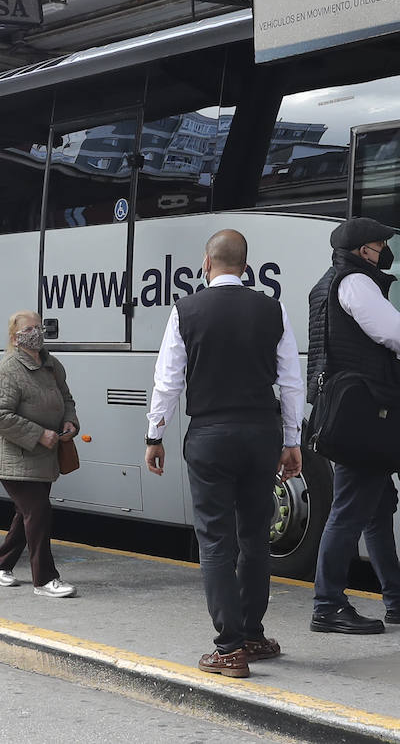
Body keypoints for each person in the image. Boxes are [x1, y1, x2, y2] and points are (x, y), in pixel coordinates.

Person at [145, 229, 304, 679]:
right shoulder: (272, 309)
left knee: (215, 539)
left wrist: (154, 435)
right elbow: (290, 381)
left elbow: (168, 381)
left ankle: (229, 648)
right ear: (246, 265)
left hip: (210, 436)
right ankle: (252, 634)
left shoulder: (186, 311)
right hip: (260, 434)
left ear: (206, 264)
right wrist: (291, 441)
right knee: (255, 537)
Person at [307, 217, 400, 634]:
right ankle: (327, 604)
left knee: (376, 507)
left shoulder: (329, 283)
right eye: (381, 245)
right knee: (349, 509)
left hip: (352, 412)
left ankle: (399, 598)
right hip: (363, 414)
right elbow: (388, 330)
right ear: (365, 250)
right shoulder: (355, 282)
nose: (385, 252)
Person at [0, 310, 79, 598]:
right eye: (29, 329)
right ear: (15, 337)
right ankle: (45, 579)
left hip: (44, 456)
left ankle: (0, 564)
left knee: (27, 514)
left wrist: (70, 422)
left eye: (39, 327)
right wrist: (39, 433)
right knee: (38, 511)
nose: (36, 332)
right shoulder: (8, 369)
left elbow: (66, 399)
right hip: (15, 458)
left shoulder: (52, 365)